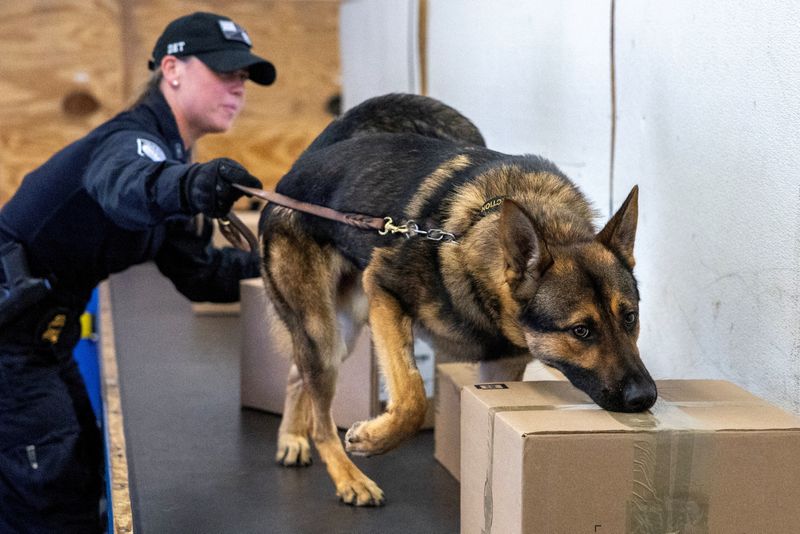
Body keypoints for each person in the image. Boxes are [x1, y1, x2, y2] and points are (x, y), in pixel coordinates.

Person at [0, 12, 274, 533]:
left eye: (245, 77)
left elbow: (200, 274)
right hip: (11, 343)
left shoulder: (171, 154)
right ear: (172, 68)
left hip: (38, 339)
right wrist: (191, 185)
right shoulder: (133, 144)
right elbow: (127, 187)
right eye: (225, 71)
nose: (239, 86)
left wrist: (286, 264)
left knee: (75, 478)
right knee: (49, 502)